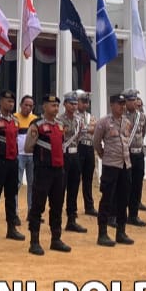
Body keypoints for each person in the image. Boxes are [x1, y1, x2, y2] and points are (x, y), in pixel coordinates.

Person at [25, 94, 71, 255]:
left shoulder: (60, 125)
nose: (55, 109)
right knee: (38, 205)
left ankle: (56, 239)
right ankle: (34, 241)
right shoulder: (36, 125)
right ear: (44, 107)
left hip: (59, 171)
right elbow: (28, 147)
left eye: (57, 106)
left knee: (57, 205)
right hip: (43, 170)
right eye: (52, 106)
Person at [93, 94, 133, 248]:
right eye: (119, 104)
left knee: (124, 199)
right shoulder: (104, 122)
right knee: (107, 199)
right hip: (110, 165)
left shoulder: (127, 122)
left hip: (125, 165)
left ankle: (121, 232)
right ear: (112, 105)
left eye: (124, 104)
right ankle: (102, 233)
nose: (122, 107)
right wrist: (103, 155)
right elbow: (96, 142)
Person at [0, 90, 24, 244]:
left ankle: (11, 228)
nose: (10, 104)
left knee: (11, 196)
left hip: (12, 162)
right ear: (0, 102)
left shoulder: (15, 121)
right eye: (7, 101)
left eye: (12, 101)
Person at [60, 92, 87, 233]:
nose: (74, 106)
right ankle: (57, 219)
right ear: (65, 104)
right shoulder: (59, 120)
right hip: (63, 156)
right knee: (60, 188)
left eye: (75, 103)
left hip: (75, 155)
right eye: (71, 103)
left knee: (74, 187)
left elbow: (83, 134)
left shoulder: (79, 120)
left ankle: (71, 219)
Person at [124, 90, 146, 226]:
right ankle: (121, 214)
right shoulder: (121, 116)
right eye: (131, 100)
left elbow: (143, 132)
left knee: (137, 184)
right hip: (127, 154)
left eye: (135, 100)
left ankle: (133, 215)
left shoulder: (142, 116)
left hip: (138, 153)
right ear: (126, 101)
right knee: (126, 184)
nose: (134, 103)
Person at [14, 95, 38, 217]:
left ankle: (31, 211)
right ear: (20, 105)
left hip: (32, 156)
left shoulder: (35, 120)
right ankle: (15, 212)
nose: (28, 108)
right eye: (26, 105)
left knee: (32, 184)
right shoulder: (14, 118)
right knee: (16, 184)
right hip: (19, 156)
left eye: (30, 106)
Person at [76, 90, 98, 217]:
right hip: (78, 147)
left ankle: (89, 206)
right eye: (83, 101)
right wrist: (87, 128)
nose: (85, 105)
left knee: (88, 179)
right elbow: (82, 130)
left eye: (87, 102)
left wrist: (86, 128)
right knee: (73, 179)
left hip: (89, 148)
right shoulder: (73, 116)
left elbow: (94, 129)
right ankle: (70, 207)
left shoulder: (90, 116)